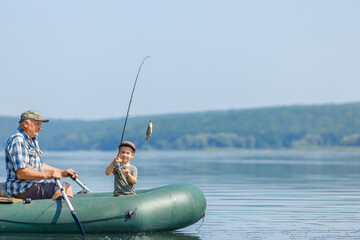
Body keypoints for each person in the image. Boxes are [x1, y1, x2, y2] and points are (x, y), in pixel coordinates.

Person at [5, 110, 78, 200]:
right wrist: (48, 175)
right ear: (26, 124)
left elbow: (39, 166)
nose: (40, 128)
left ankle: (64, 209)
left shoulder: (32, 139)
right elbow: (21, 173)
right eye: (37, 124)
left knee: (68, 187)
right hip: (21, 188)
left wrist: (62, 172)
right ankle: (57, 211)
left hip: (32, 186)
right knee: (59, 188)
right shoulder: (18, 140)